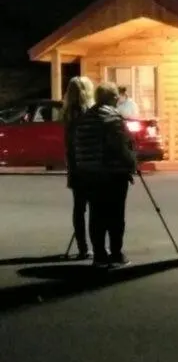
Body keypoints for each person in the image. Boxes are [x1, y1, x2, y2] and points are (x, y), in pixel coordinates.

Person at [73, 82, 137, 268]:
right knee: (115, 215)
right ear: (112, 98)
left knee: (96, 214)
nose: (118, 99)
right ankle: (116, 254)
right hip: (112, 174)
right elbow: (120, 147)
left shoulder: (85, 118)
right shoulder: (112, 117)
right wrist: (131, 163)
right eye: (116, 96)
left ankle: (99, 254)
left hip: (89, 174)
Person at [62, 76, 95, 260]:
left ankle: (83, 247)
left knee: (79, 208)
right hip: (91, 165)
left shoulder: (68, 113)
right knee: (95, 208)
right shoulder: (90, 112)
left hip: (75, 166)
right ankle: (97, 246)